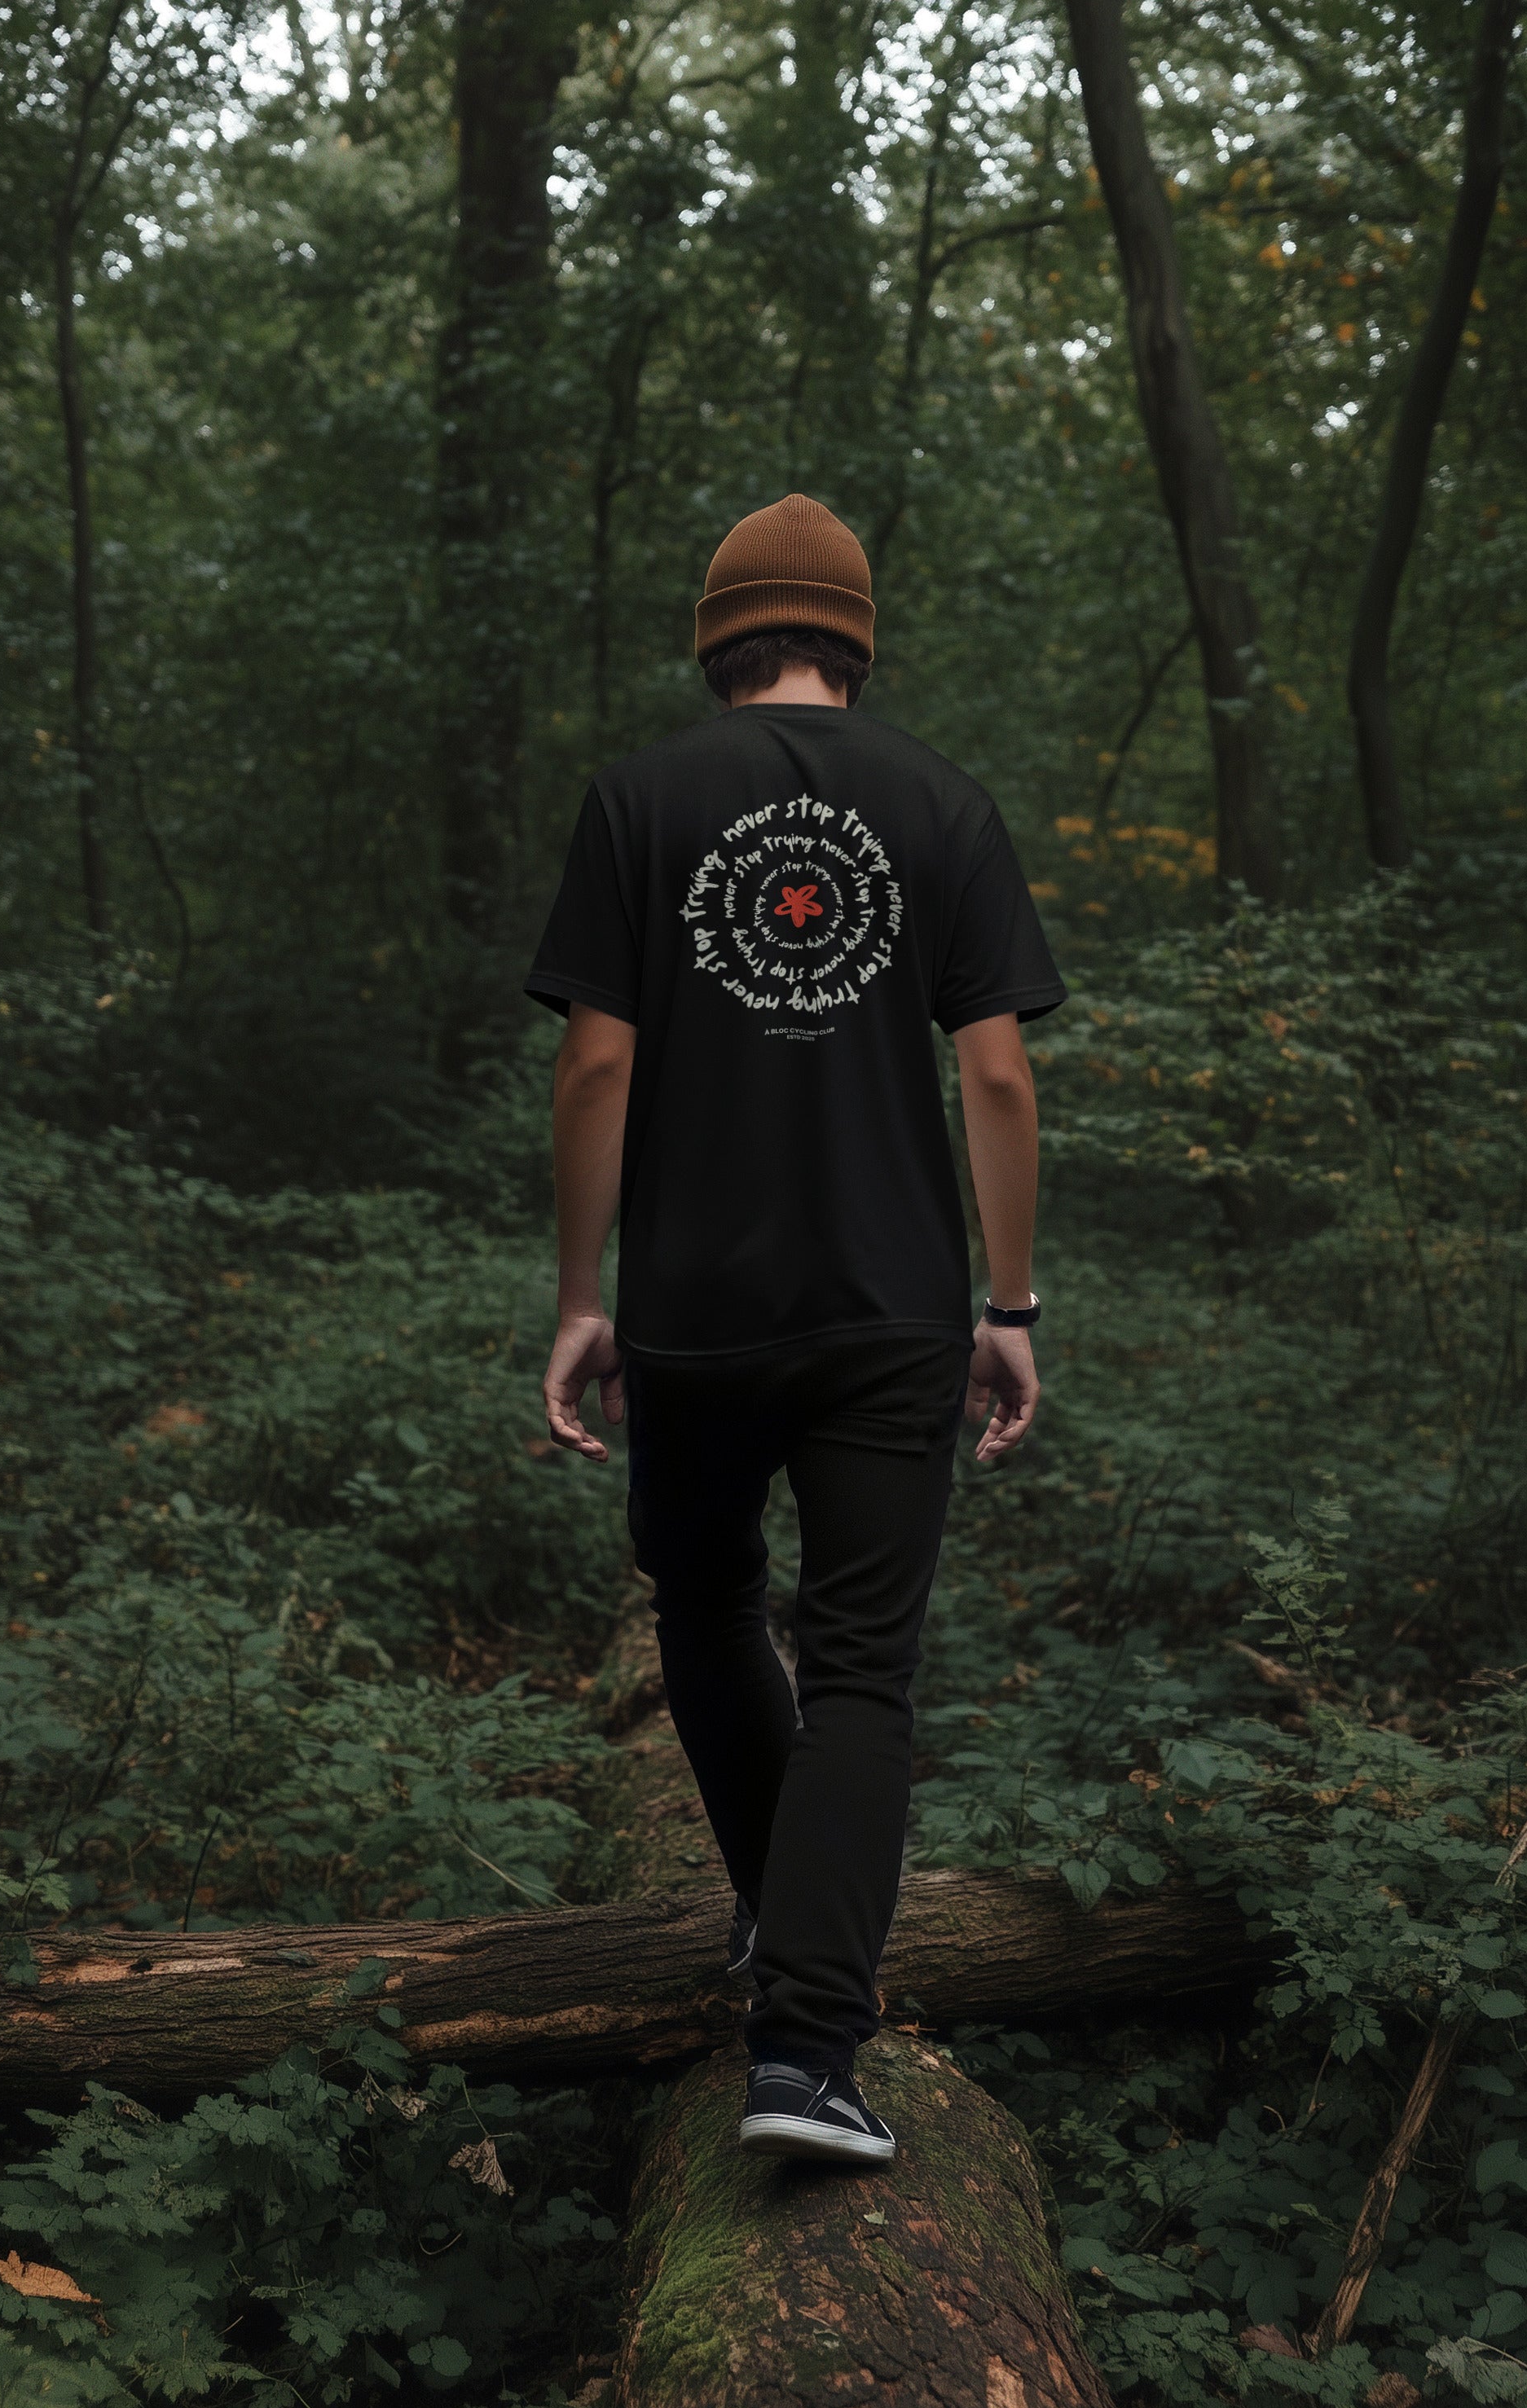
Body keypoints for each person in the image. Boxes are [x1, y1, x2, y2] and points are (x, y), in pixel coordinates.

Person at [526, 494, 1064, 2164]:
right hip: (894, 1309)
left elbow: (596, 1067)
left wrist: (581, 1296)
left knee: (701, 1609)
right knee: (861, 1674)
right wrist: (1010, 1302)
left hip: (693, 1310)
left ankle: (784, 1932)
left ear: (718, 641)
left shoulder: (636, 802)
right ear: (853, 640)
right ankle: (810, 2053)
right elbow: (993, 1073)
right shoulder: (945, 807)